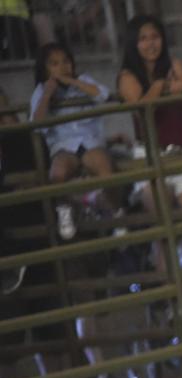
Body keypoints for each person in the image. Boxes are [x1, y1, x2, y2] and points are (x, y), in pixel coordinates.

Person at [117, 14, 182, 323]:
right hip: (149, 157)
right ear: (133, 43)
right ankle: (167, 303)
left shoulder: (175, 64)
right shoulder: (127, 75)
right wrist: (165, 86)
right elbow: (141, 108)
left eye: (155, 36)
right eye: (144, 38)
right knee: (166, 234)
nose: (151, 43)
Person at [28, 41, 117, 241]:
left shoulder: (83, 81)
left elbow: (104, 94)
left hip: (90, 142)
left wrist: (74, 82)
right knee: (58, 172)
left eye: (66, 61)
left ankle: (111, 211)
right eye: (54, 63)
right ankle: (65, 212)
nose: (62, 67)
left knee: (103, 164)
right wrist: (48, 95)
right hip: (63, 147)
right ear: (44, 69)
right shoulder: (41, 90)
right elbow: (37, 125)